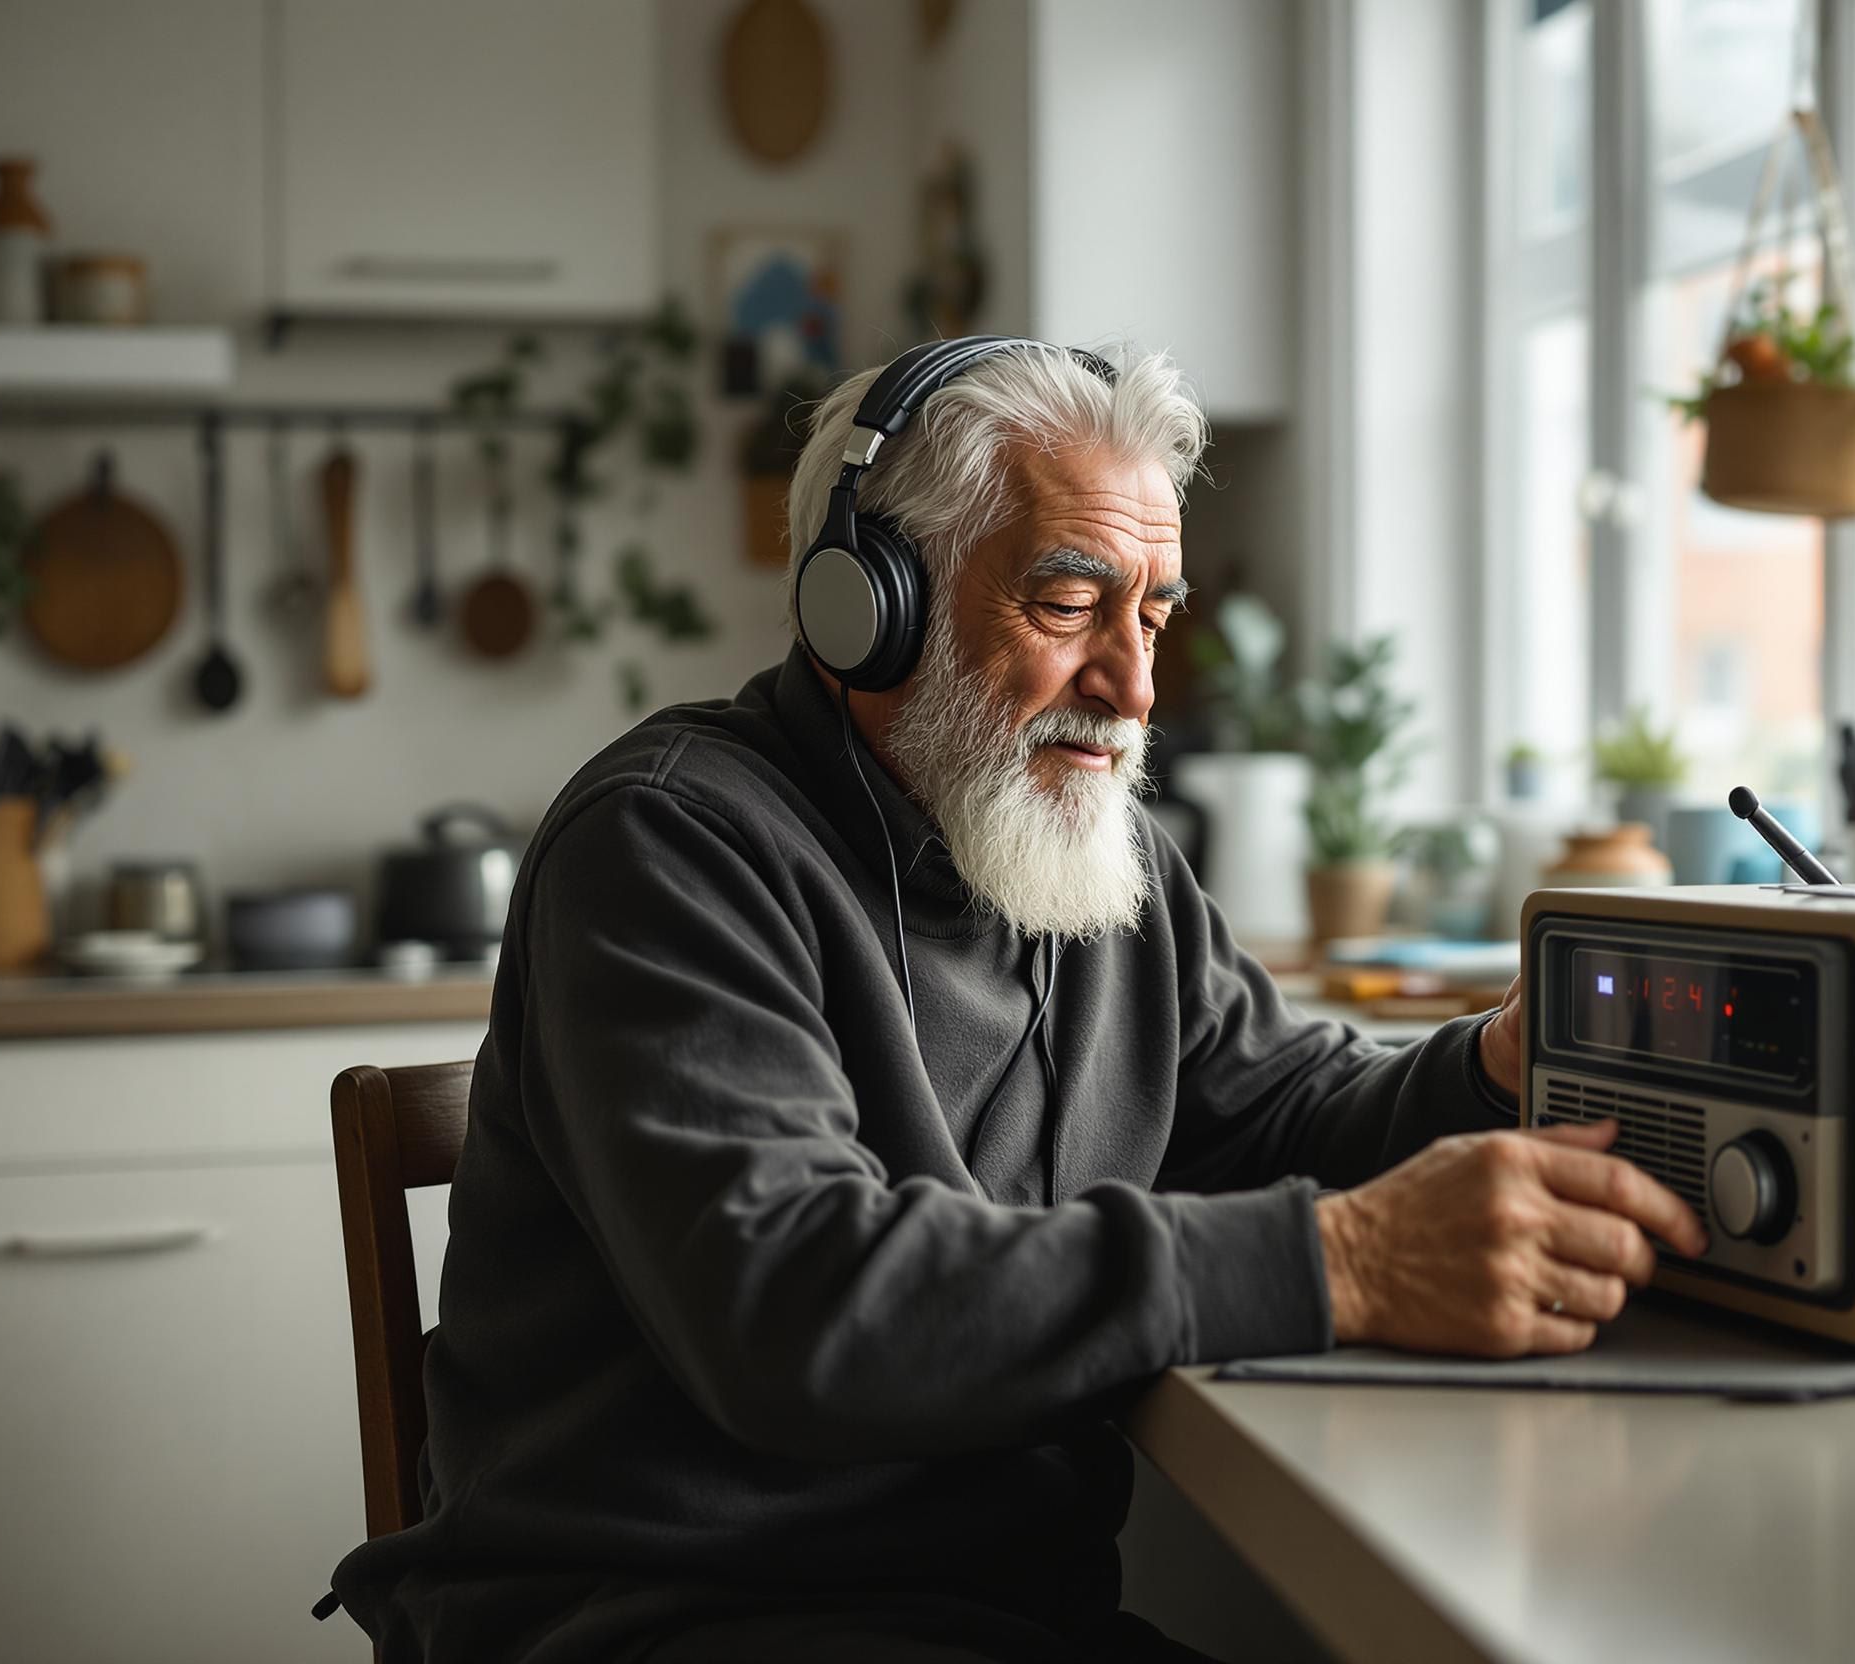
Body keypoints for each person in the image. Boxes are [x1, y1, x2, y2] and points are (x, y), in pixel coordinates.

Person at [324, 339, 1706, 1662]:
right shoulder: (669, 846)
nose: (1133, 686)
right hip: (660, 1622)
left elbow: (1278, 1105)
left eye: (1152, 615)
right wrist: (1344, 1263)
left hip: (986, 1619)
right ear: (870, 606)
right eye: (1067, 603)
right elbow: (795, 1306)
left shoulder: (1091, 855)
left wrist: (1503, 1067)